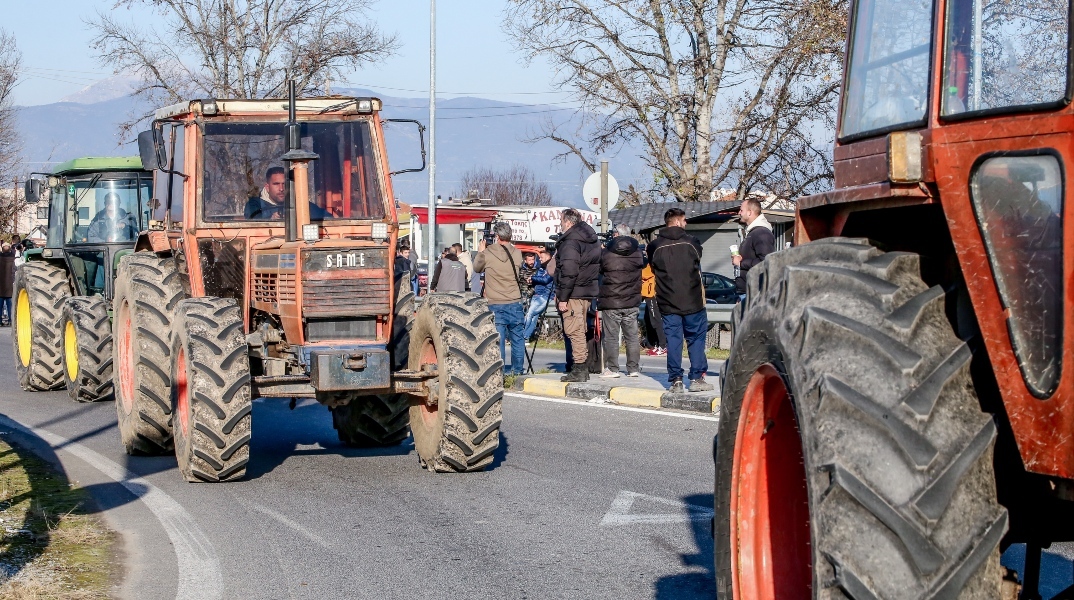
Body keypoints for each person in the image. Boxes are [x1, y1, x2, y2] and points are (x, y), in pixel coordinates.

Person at [647, 207, 712, 393]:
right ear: (677, 221)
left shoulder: (654, 246)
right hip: (693, 299)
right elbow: (697, 259)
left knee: (673, 340)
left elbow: (652, 266)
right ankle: (697, 377)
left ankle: (676, 379)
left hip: (667, 300)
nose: (686, 224)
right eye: (684, 220)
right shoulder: (691, 242)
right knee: (696, 338)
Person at [554, 208, 601, 382]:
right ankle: (582, 367)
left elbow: (569, 271)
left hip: (573, 292)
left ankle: (580, 367)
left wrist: (563, 297)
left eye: (561, 221)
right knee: (581, 329)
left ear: (567, 222)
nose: (560, 224)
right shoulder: (591, 239)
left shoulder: (571, 242)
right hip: (586, 291)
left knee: (574, 330)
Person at [474, 222, 526, 376]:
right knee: (518, 338)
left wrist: (480, 252)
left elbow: (477, 268)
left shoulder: (488, 253)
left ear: (496, 236)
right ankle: (517, 371)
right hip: (515, 301)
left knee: (498, 340)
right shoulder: (517, 253)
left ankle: (500, 373)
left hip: (495, 302)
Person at [598, 224, 644, 378]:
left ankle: (612, 368)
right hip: (631, 300)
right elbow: (644, 264)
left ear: (616, 234)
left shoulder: (606, 253)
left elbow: (599, 269)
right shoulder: (637, 252)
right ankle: (633, 369)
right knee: (631, 337)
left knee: (611, 336)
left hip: (611, 300)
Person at [244, 166, 328, 220]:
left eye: (284, 184)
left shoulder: (299, 204)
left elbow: (328, 218)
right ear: (267, 187)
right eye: (276, 184)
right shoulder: (255, 204)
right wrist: (270, 219)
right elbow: (253, 220)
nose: (281, 189)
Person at [733, 198, 775, 300]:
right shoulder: (753, 232)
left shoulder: (761, 233)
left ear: (750, 212)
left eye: (741, 210)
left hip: (754, 293)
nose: (739, 213)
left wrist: (741, 263)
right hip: (748, 291)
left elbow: (766, 261)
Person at [523, 248, 555, 341]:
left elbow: (545, 280)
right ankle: (526, 337)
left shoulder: (552, 266)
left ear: (548, 255)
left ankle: (520, 336)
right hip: (537, 294)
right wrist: (531, 281)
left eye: (541, 257)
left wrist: (532, 278)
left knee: (529, 314)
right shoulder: (541, 267)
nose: (539, 259)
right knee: (533, 317)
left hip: (544, 295)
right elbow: (538, 278)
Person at [641, 263, 667, 355]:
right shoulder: (650, 263)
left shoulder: (653, 263)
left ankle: (662, 346)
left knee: (656, 320)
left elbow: (644, 274)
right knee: (651, 320)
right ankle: (656, 344)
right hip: (649, 294)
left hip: (652, 293)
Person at [0, 243, 14, 326]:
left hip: (1, 287)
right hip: (10, 287)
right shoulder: (13, 258)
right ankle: (10, 321)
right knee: (10, 307)